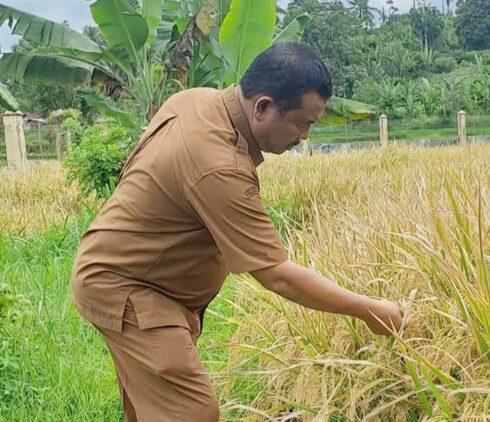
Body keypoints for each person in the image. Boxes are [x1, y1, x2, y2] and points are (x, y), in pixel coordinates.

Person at [70, 42, 404, 422]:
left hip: (124, 272)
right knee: (192, 413)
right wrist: (370, 310)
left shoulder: (195, 100)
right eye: (303, 122)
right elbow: (278, 276)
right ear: (262, 107)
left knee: (153, 408)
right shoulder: (219, 166)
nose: (305, 136)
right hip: (130, 289)